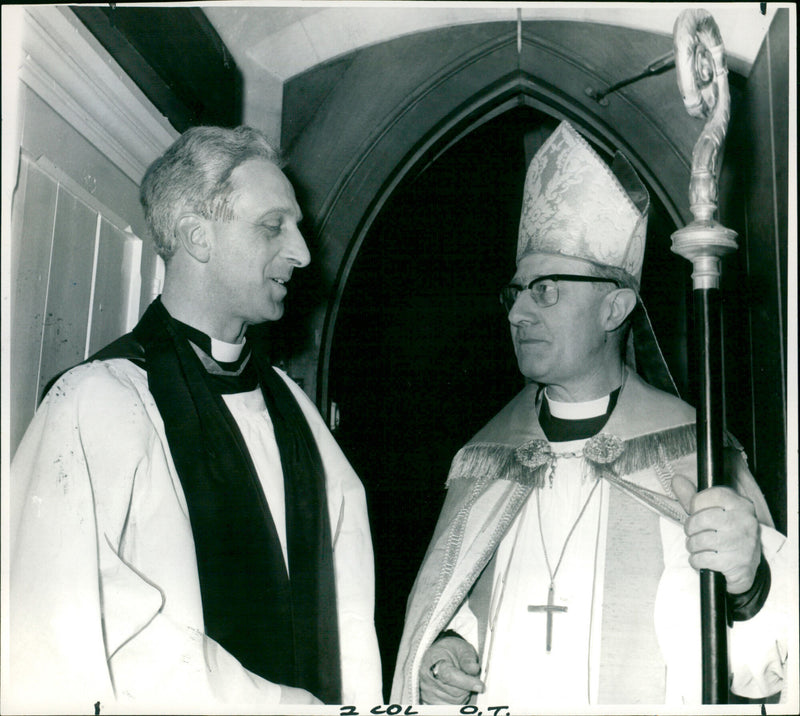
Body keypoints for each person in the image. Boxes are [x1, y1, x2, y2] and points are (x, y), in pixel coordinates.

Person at [392, 121, 789, 707]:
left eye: (545, 289)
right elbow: (466, 608)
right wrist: (448, 647)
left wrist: (748, 584)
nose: (517, 314)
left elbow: (767, 668)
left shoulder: (697, 453)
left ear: (615, 306)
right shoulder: (484, 460)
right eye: (516, 292)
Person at [9, 126, 381, 712]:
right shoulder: (97, 401)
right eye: (272, 226)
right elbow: (88, 625)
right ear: (197, 237)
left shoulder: (296, 411)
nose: (303, 254)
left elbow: (349, 614)